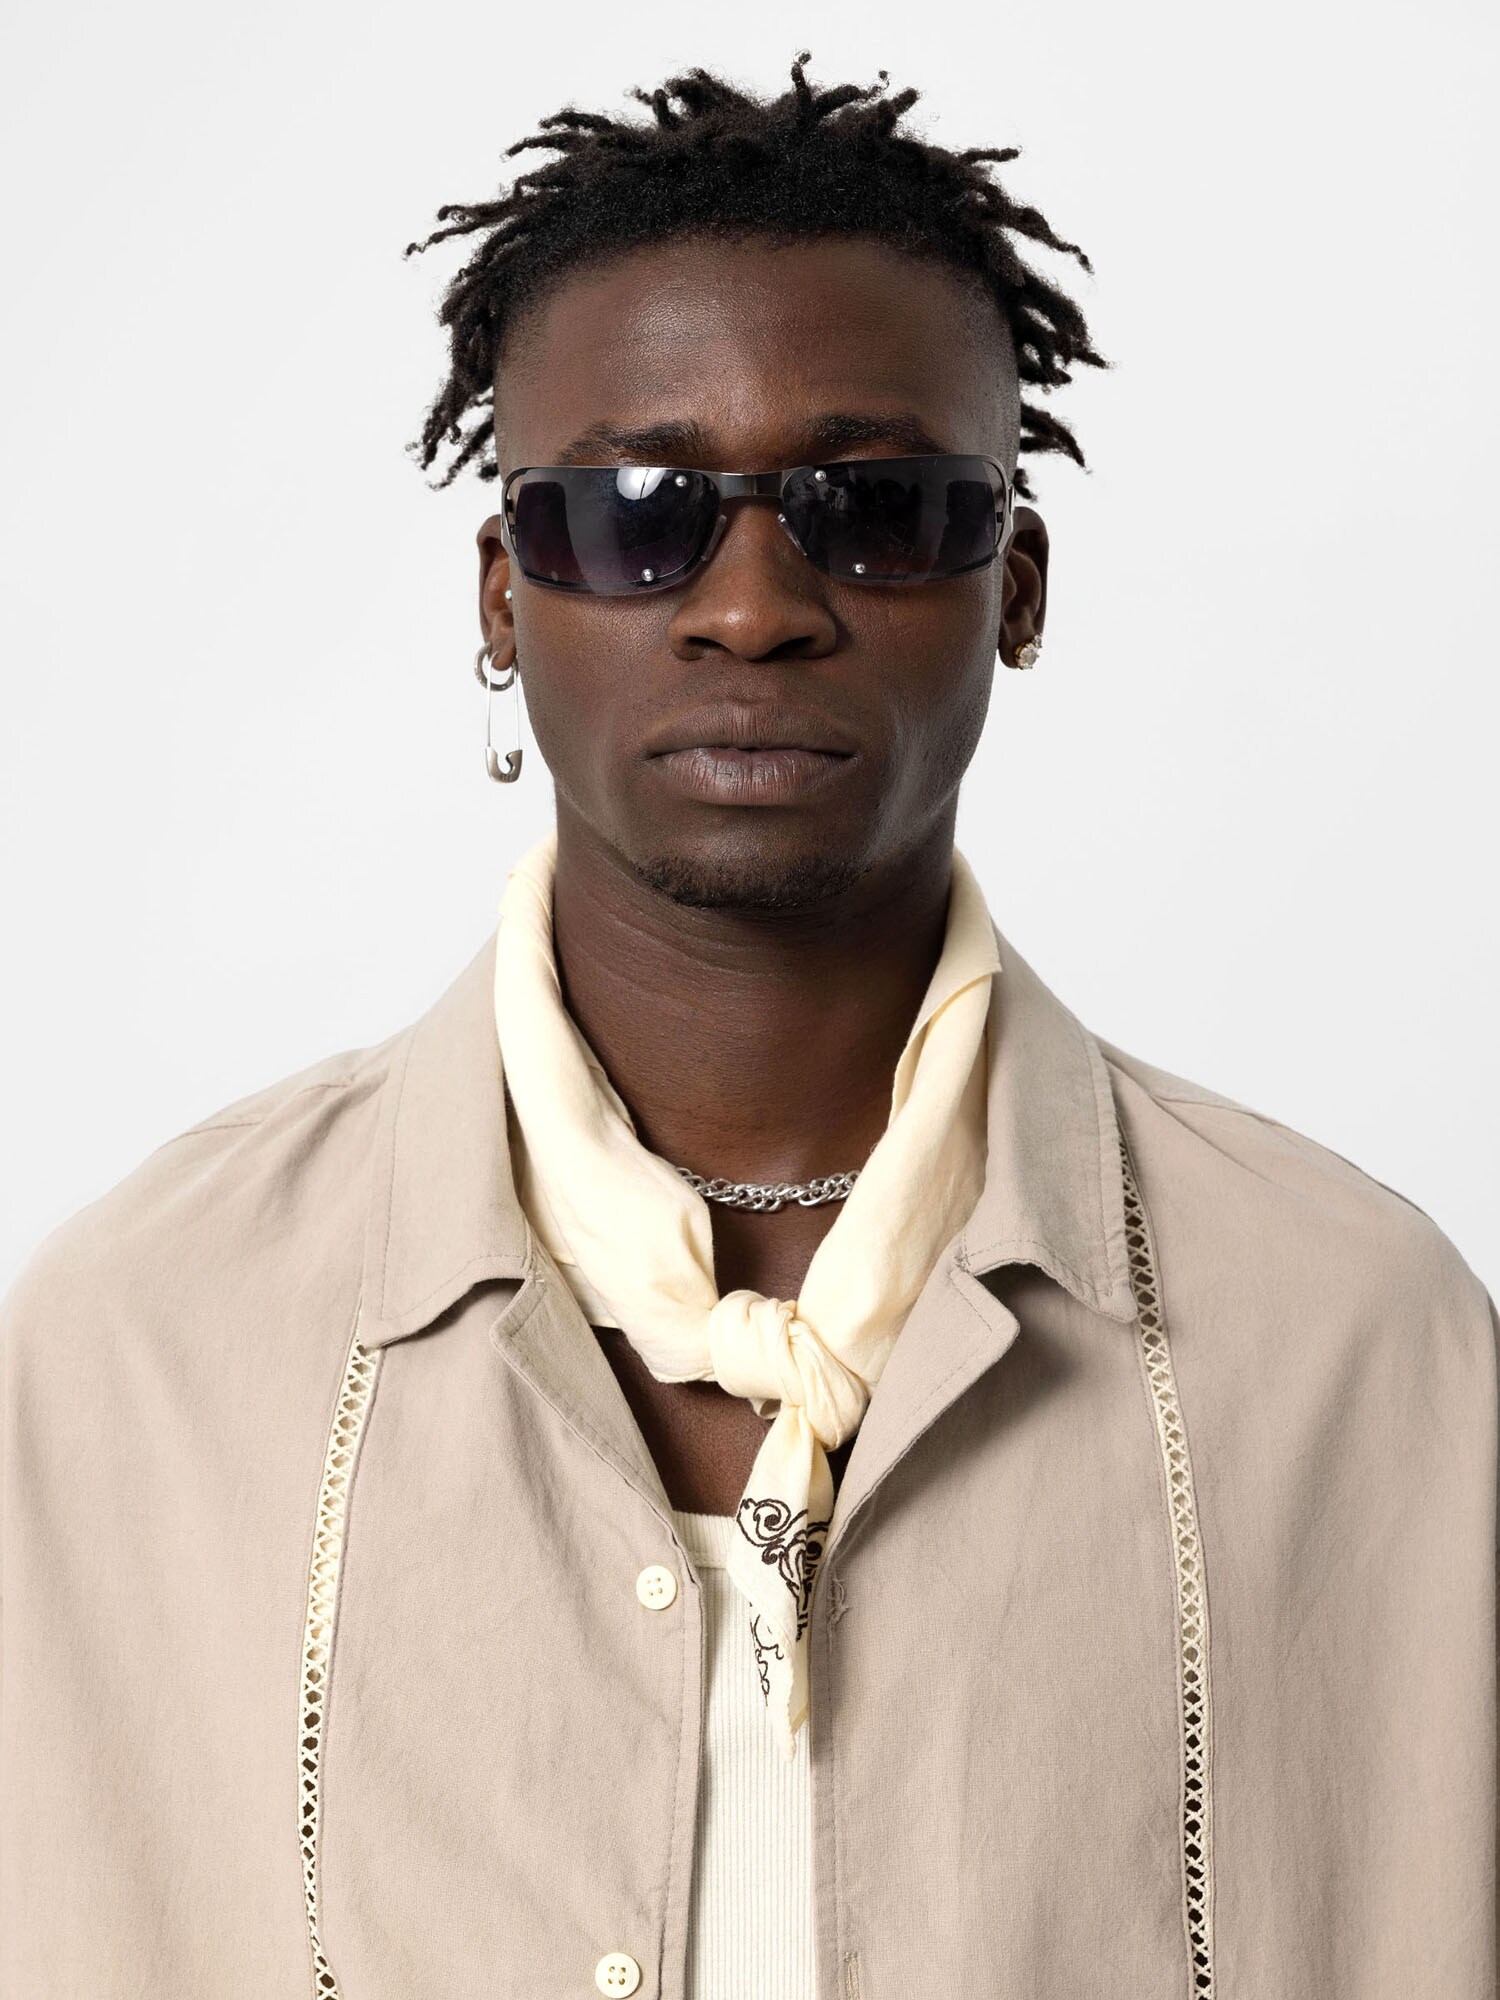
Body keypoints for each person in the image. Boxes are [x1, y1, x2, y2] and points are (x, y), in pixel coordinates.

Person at [1, 55, 1494, 2000]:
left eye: (876, 510)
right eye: (636, 515)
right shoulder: (144, 1347)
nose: (752, 606)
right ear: (504, 598)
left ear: (1015, 586)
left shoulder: (1353, 1343)